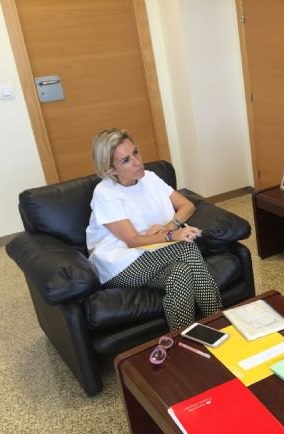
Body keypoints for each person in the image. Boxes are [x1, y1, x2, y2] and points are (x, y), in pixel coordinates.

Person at [86, 128, 222, 330]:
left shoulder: (149, 178)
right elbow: (132, 240)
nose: (137, 162)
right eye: (125, 160)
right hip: (120, 265)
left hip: (153, 255)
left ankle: (182, 338)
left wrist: (169, 227)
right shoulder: (105, 193)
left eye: (135, 152)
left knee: (180, 273)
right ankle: (219, 321)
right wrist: (172, 235)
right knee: (187, 248)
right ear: (111, 170)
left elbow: (187, 205)